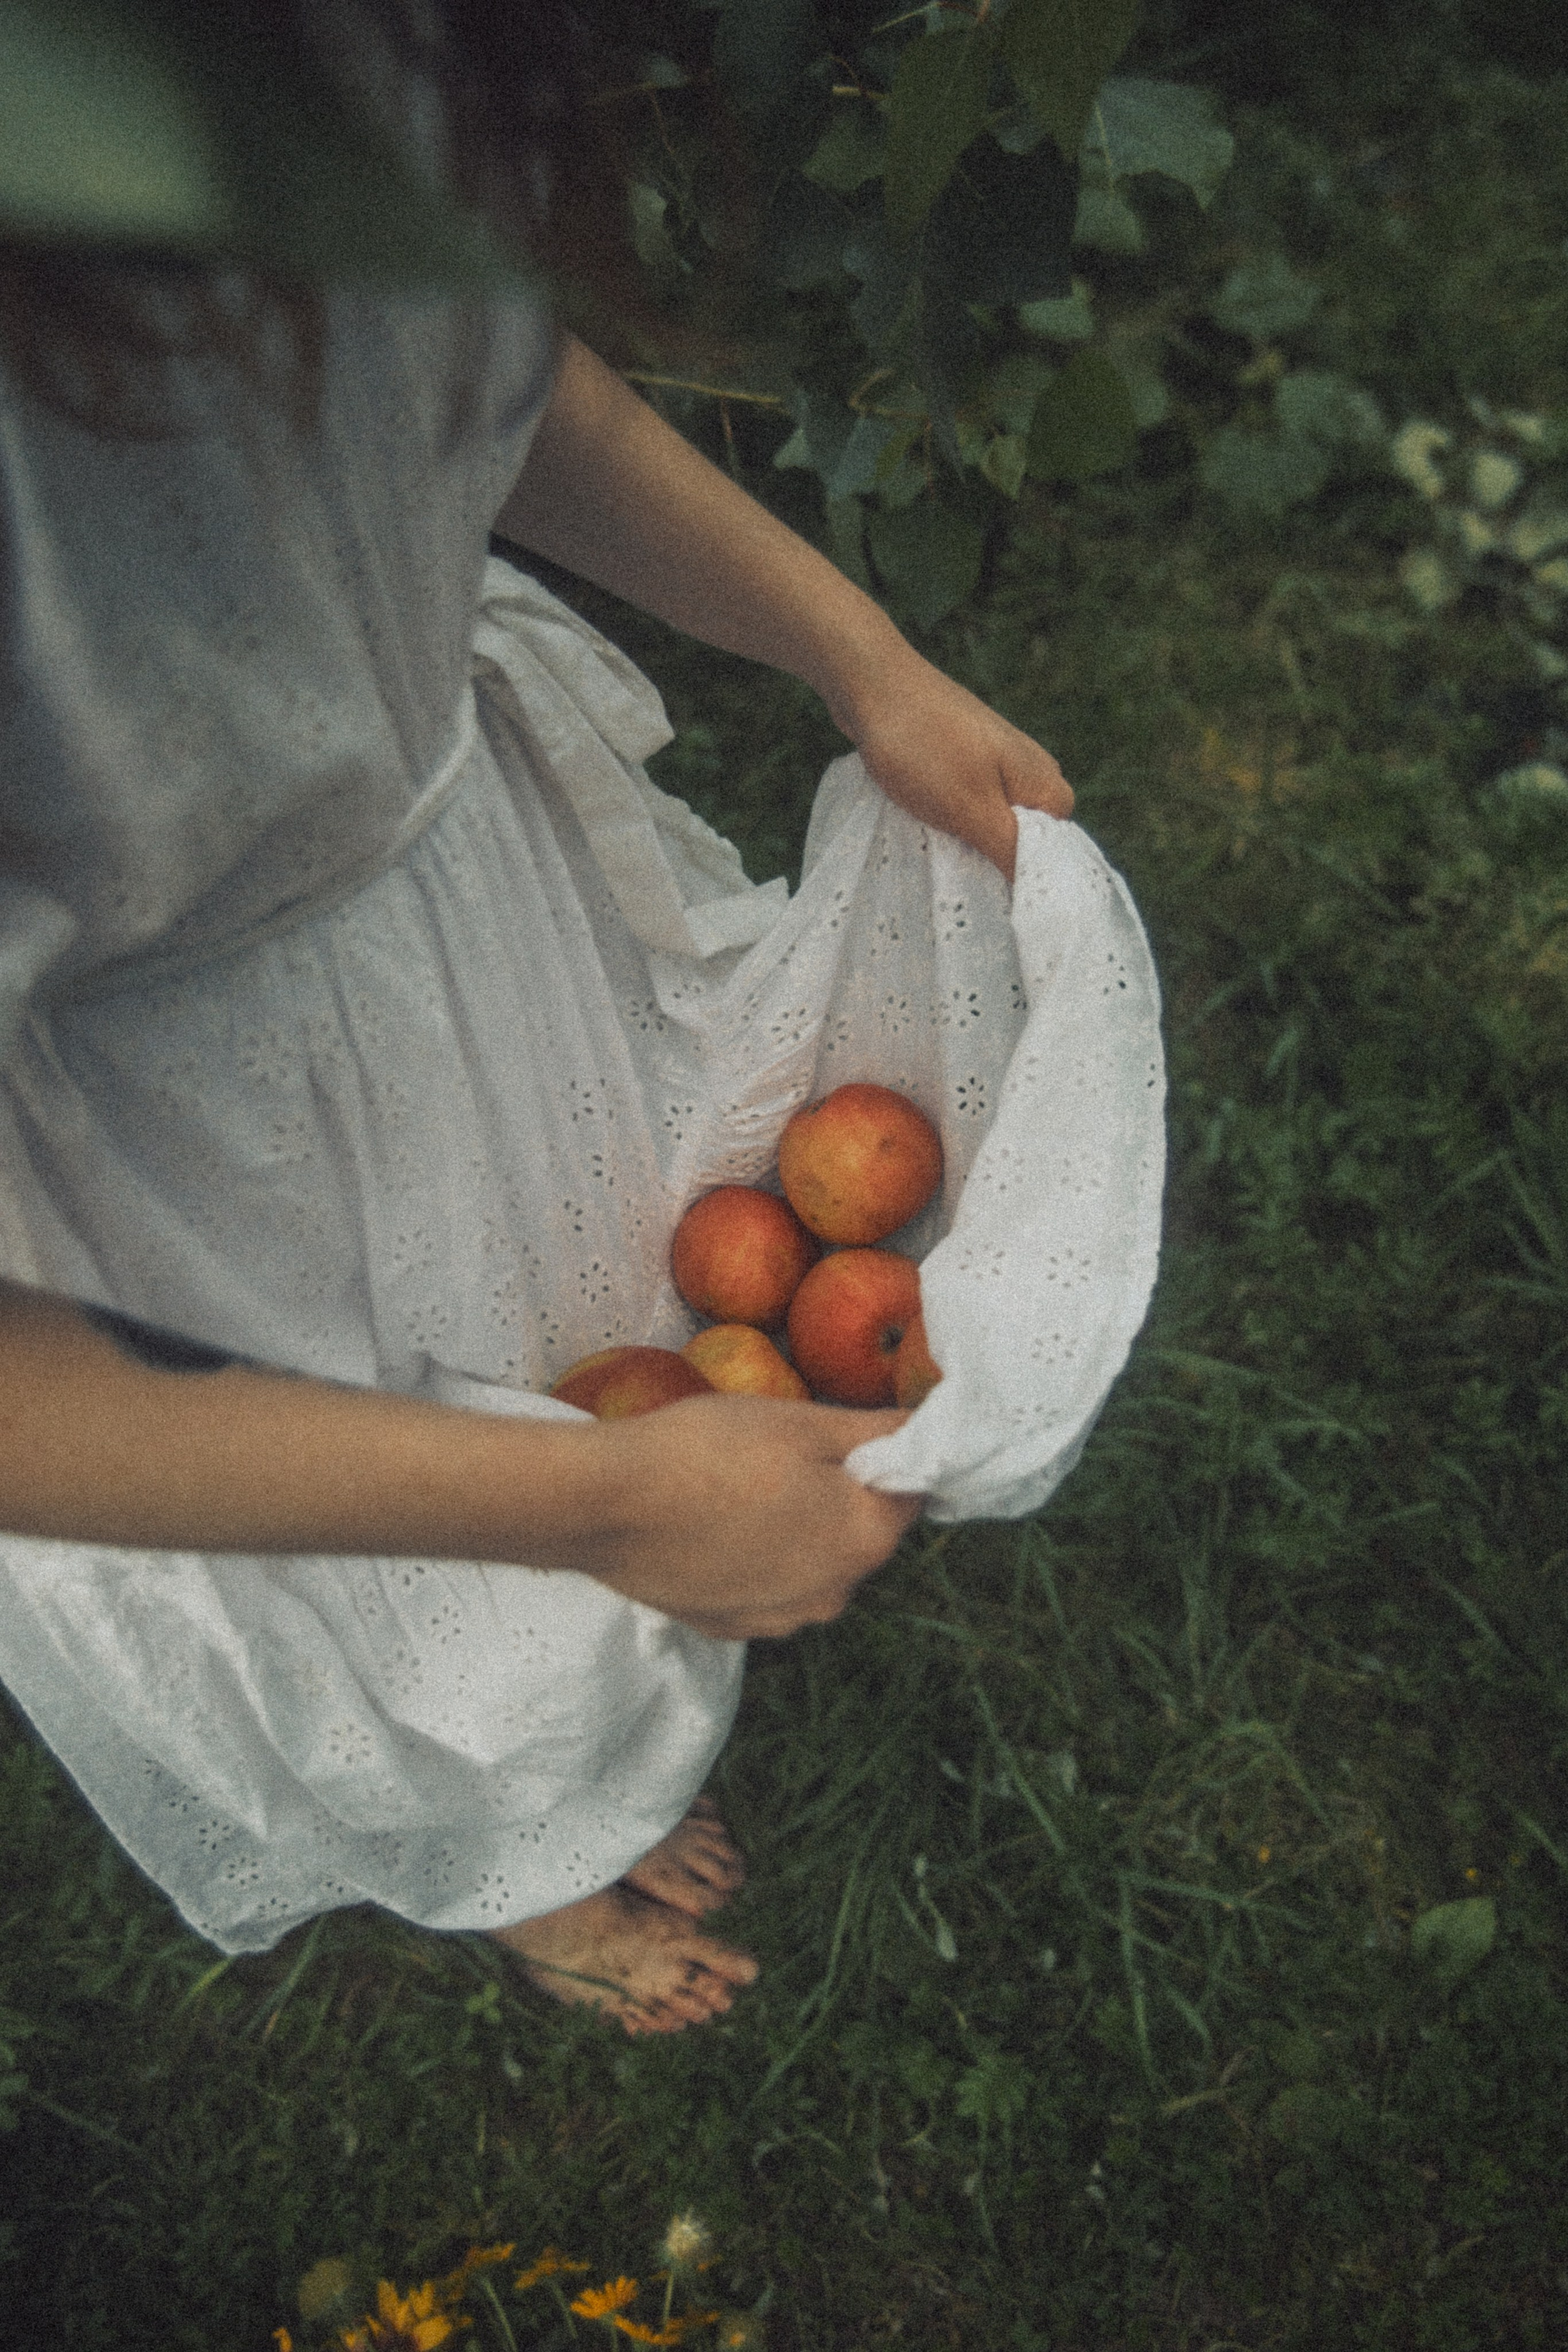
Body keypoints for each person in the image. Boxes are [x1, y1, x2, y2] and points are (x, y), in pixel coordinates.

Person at [0, 2, 1072, 2038]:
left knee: (595, 1321)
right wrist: (602, 1505)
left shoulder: (316, 60)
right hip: (179, 1147)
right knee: (382, 1558)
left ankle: (601, 1642)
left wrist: (856, 652)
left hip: (452, 911)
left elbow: (479, 374)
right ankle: (522, 1858)